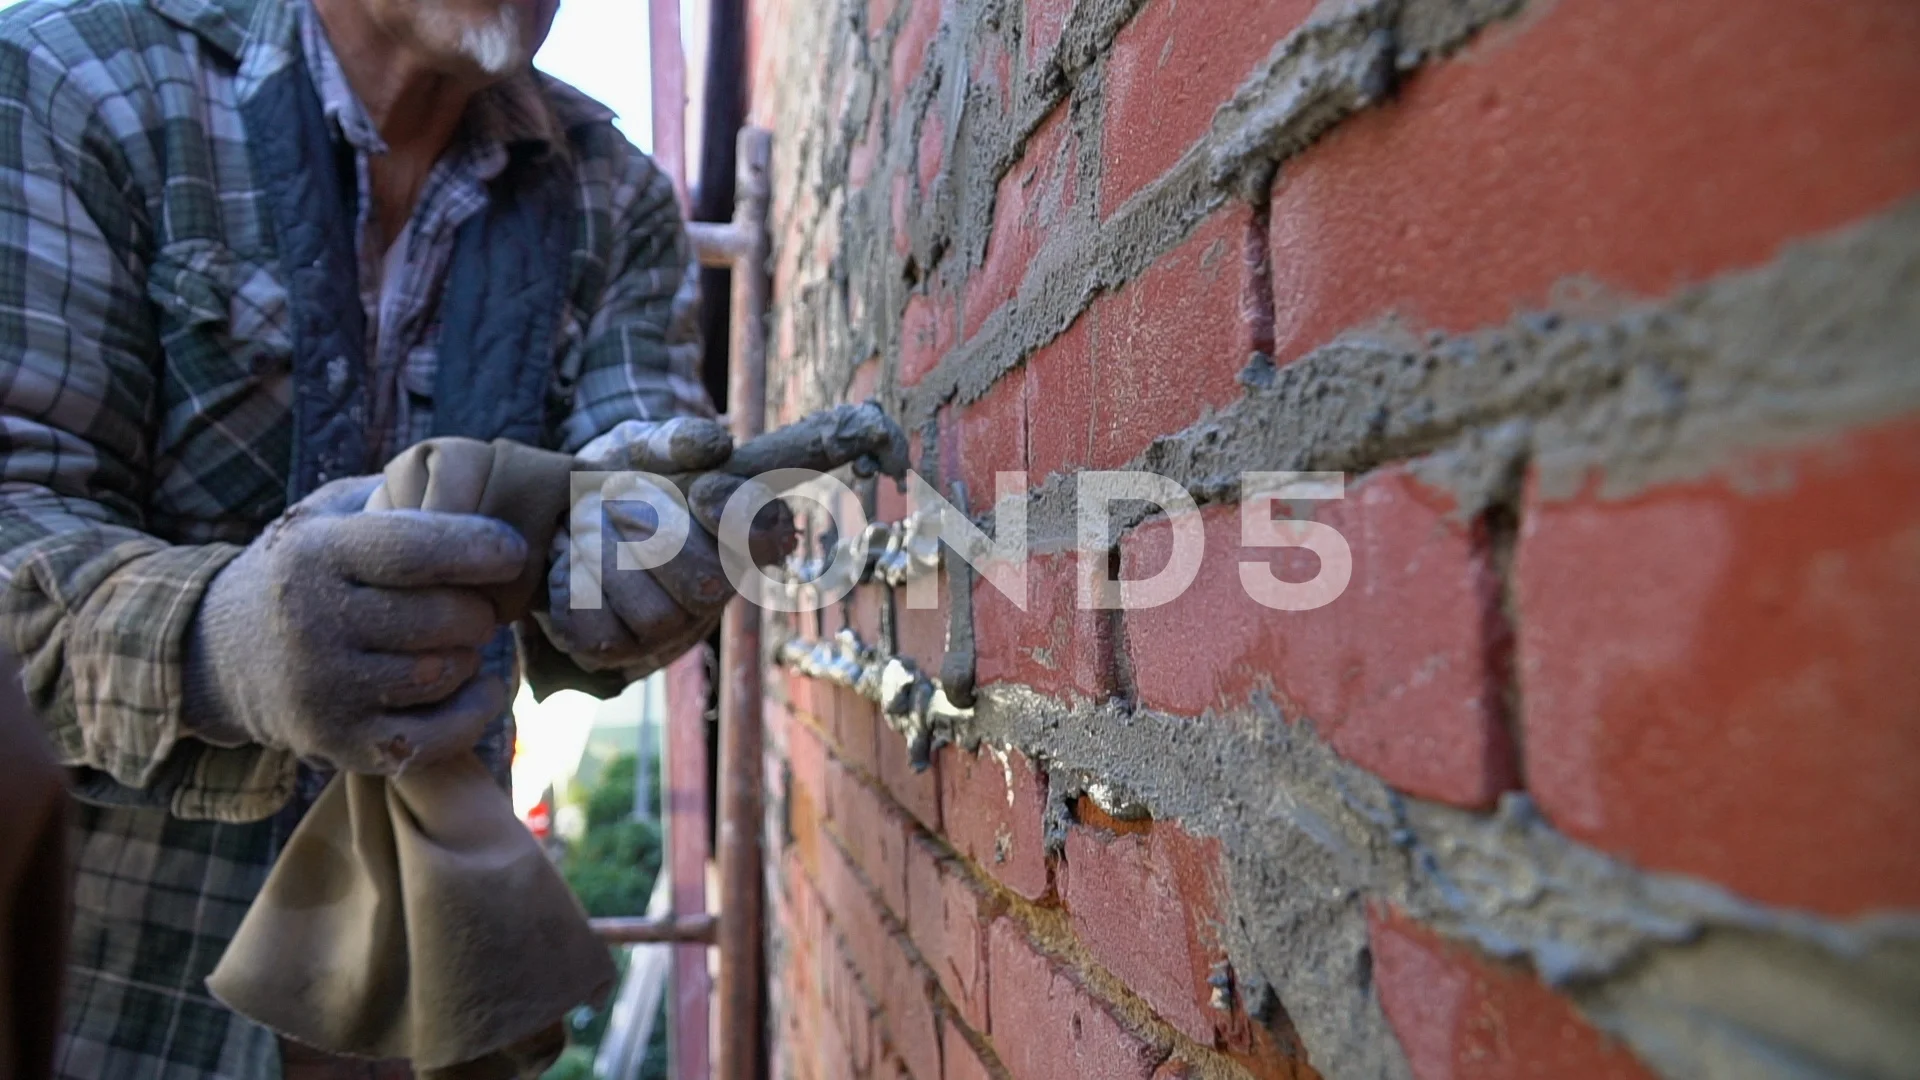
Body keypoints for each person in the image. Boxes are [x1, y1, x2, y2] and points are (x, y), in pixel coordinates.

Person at [0, 0, 755, 1074]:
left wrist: (656, 551)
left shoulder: (612, 192)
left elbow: (637, 475)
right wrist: (222, 643)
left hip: (431, 1010)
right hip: (107, 1006)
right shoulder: (73, 83)